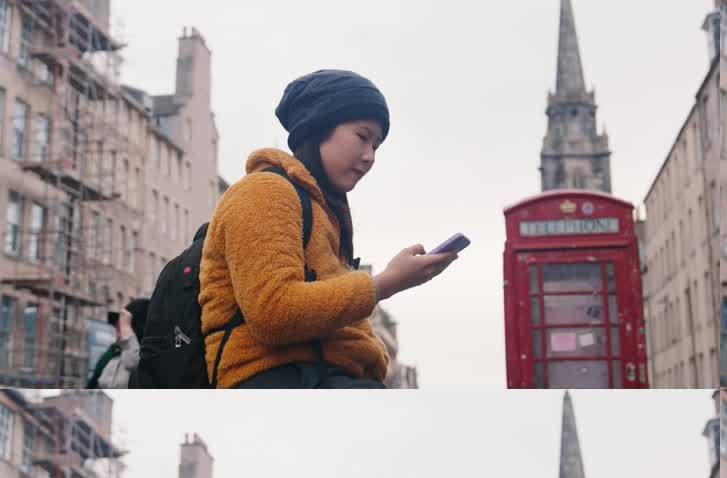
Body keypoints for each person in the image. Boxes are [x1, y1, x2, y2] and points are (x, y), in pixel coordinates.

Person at [198, 70, 458, 388]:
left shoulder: (325, 214)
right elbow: (273, 312)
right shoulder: (264, 192)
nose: (369, 157)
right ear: (318, 127)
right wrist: (385, 283)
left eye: (376, 146)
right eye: (363, 137)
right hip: (278, 379)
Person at [91, 298, 148, 389]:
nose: (118, 333)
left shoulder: (147, 358)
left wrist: (128, 337)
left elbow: (133, 363)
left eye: (121, 326)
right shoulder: (114, 353)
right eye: (118, 327)